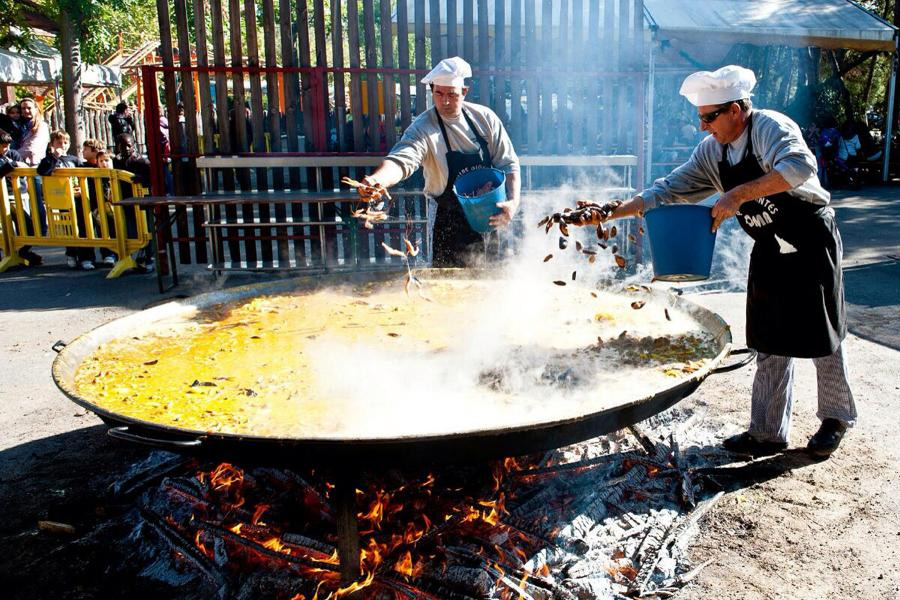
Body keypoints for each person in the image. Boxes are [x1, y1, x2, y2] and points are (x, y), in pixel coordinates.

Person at [575, 65, 855, 458]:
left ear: (736, 110)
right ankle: (767, 432)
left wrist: (738, 194)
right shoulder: (712, 152)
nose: (703, 127)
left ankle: (836, 418)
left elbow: (798, 168)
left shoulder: (769, 127)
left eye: (710, 117)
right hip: (770, 245)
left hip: (809, 236)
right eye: (701, 118)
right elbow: (667, 190)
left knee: (822, 331)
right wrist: (610, 213)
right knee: (769, 336)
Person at [356, 56, 520, 266]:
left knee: (499, 278)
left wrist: (513, 202)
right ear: (432, 92)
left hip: (492, 212)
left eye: (452, 94)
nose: (445, 101)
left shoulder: (485, 119)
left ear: (464, 92)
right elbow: (402, 159)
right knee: (448, 284)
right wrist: (377, 181)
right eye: (438, 93)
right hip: (448, 218)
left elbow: (508, 164)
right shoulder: (423, 127)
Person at [38, 130, 96, 270]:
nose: (62, 145)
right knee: (68, 228)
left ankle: (87, 257)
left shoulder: (74, 160)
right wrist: (54, 157)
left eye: (65, 142)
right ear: (52, 144)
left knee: (84, 227)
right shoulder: (48, 159)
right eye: (59, 142)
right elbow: (42, 170)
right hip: (62, 200)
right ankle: (71, 254)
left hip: (78, 200)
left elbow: (84, 177)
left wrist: (82, 189)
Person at [113, 133, 154, 273]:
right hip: (126, 201)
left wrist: (142, 179)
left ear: (134, 145)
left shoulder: (142, 161)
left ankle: (149, 257)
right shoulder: (117, 161)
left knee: (147, 229)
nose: (125, 148)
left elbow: (152, 179)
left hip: (142, 201)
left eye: (128, 145)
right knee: (130, 230)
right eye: (122, 145)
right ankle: (134, 257)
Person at [81, 138, 116, 266]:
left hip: (107, 207)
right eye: (101, 161)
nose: (104, 163)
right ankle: (87, 257)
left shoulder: (114, 172)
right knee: (87, 229)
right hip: (89, 205)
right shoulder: (83, 167)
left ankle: (110, 254)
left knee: (108, 229)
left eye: (85, 149)